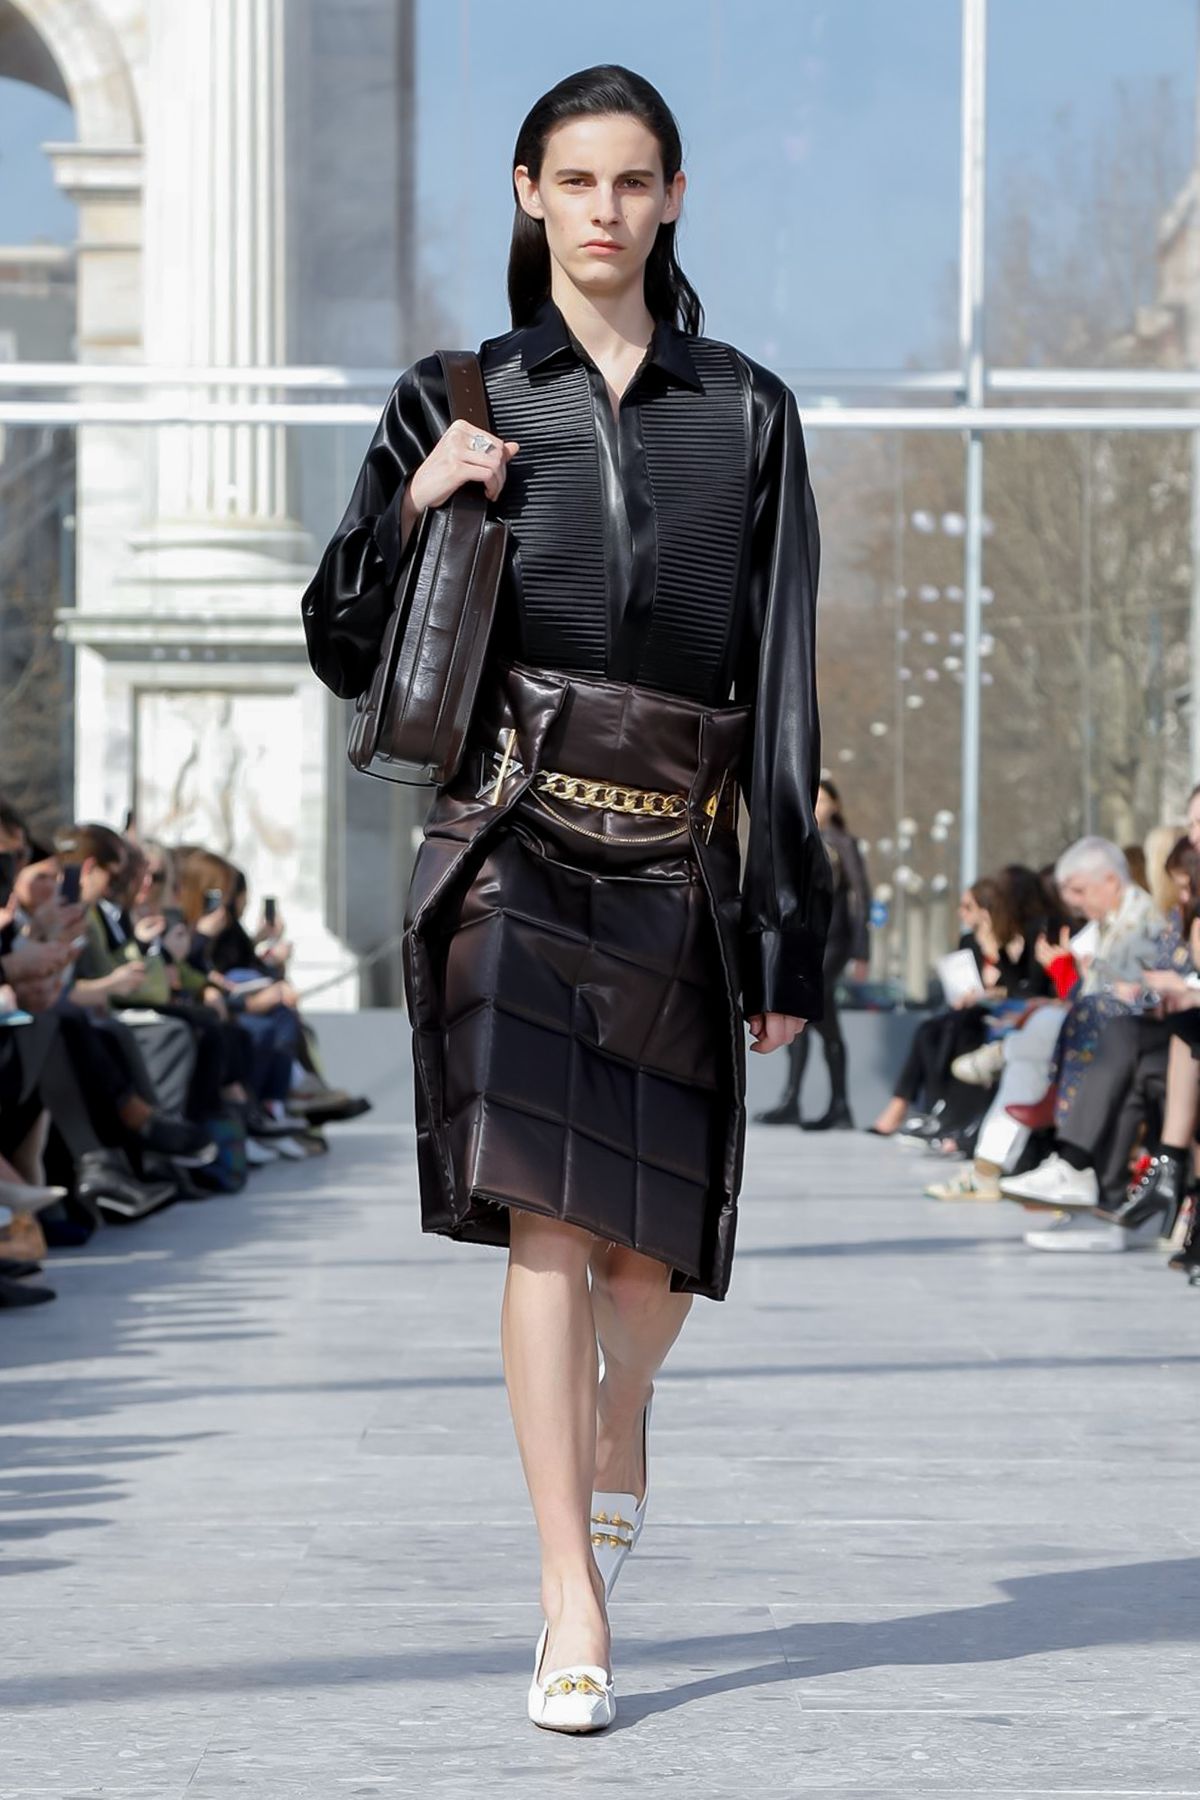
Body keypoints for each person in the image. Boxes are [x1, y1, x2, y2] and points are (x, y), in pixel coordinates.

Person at [300, 65, 831, 1733]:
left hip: (677, 856)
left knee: (645, 1268)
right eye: (577, 179)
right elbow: (340, 642)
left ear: (673, 199)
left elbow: (783, 682)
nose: (606, 210)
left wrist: (790, 919)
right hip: (510, 841)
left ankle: (620, 1421)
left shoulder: (748, 412)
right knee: (546, 1222)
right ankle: (569, 1599)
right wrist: (415, 504)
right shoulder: (455, 396)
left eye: (636, 180)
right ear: (528, 191)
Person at [755, 775, 869, 1129]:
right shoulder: (802, 840)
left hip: (834, 942)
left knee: (808, 1008)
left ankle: (821, 1103)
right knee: (814, 1014)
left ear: (835, 805)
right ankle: (820, 1103)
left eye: (823, 800)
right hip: (805, 940)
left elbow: (861, 896)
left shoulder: (842, 843)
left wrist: (862, 951)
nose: (817, 807)